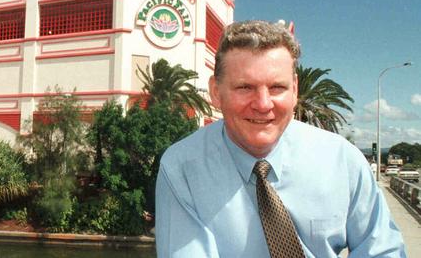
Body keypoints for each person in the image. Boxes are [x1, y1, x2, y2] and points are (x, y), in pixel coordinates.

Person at [155, 20, 406, 257]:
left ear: (294, 90)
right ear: (215, 92)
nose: (263, 105)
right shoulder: (182, 168)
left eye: (277, 88)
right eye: (245, 87)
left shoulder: (343, 161)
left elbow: (382, 250)